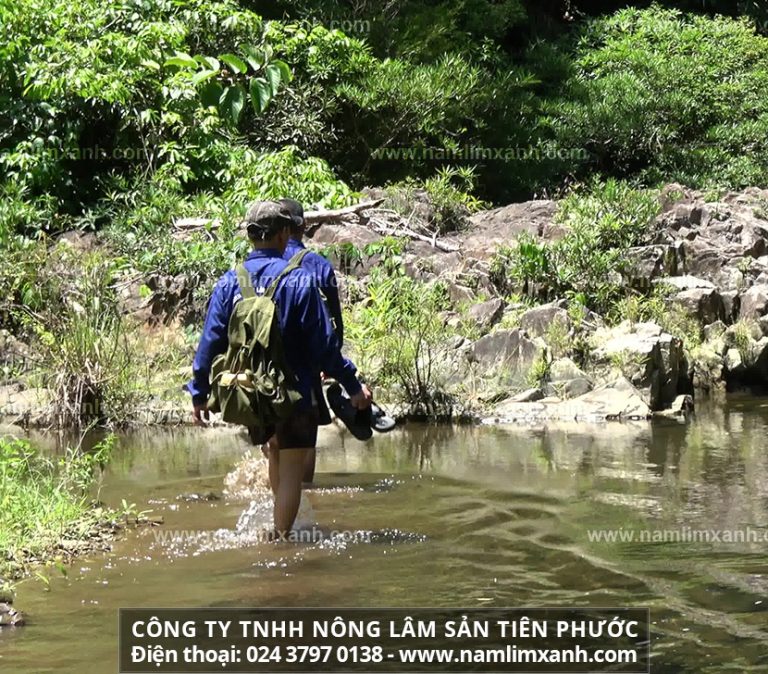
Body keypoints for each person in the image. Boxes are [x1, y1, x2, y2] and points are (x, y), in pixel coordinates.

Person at [187, 200, 372, 539]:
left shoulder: (231, 281)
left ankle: (279, 523)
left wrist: (199, 393)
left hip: (252, 395)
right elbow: (324, 345)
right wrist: (352, 384)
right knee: (291, 470)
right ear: (285, 233)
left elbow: (210, 341)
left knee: (274, 453)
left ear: (249, 235)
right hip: (296, 393)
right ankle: (281, 541)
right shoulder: (301, 281)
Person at [277, 197, 344, 484]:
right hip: (306, 368)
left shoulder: (258, 266)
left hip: (264, 369)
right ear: (303, 225)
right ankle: (303, 502)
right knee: (305, 444)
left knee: (275, 444)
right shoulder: (318, 266)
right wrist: (332, 363)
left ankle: (274, 501)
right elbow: (335, 325)